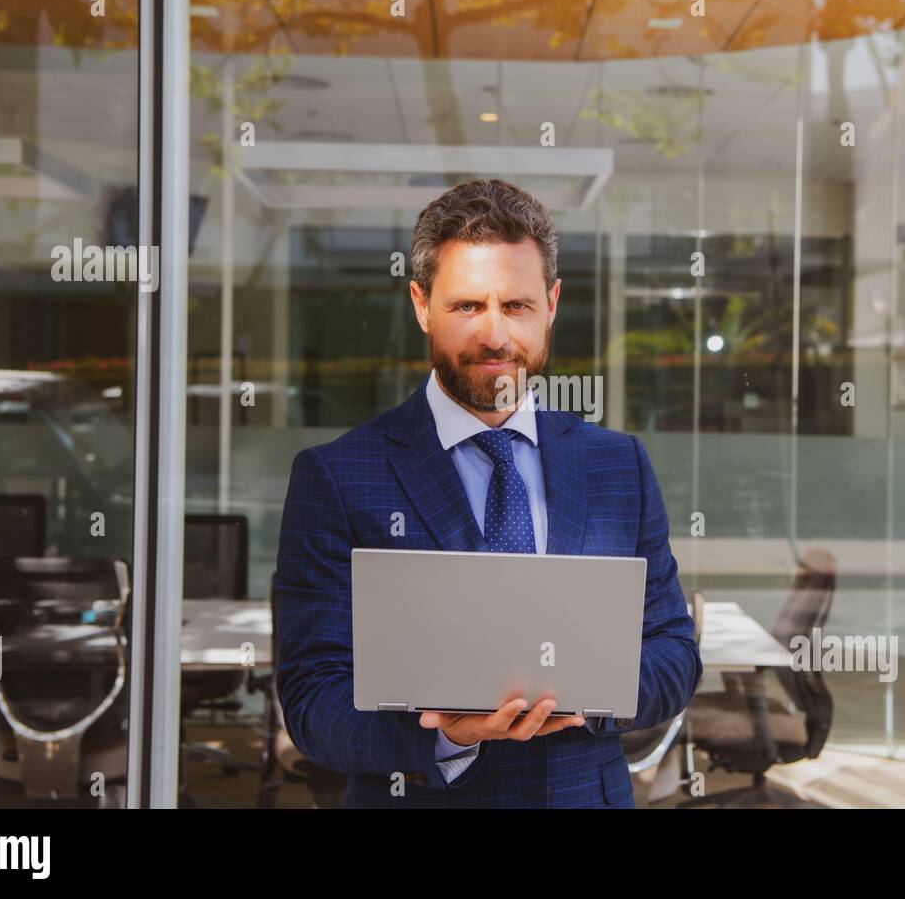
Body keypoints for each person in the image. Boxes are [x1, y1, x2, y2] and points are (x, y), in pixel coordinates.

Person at [274, 178, 702, 808]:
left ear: (552, 303)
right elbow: (314, 701)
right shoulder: (338, 476)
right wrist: (448, 735)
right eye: (468, 306)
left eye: (518, 306)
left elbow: (673, 654)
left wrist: (584, 692)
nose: (496, 335)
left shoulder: (618, 467)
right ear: (422, 305)